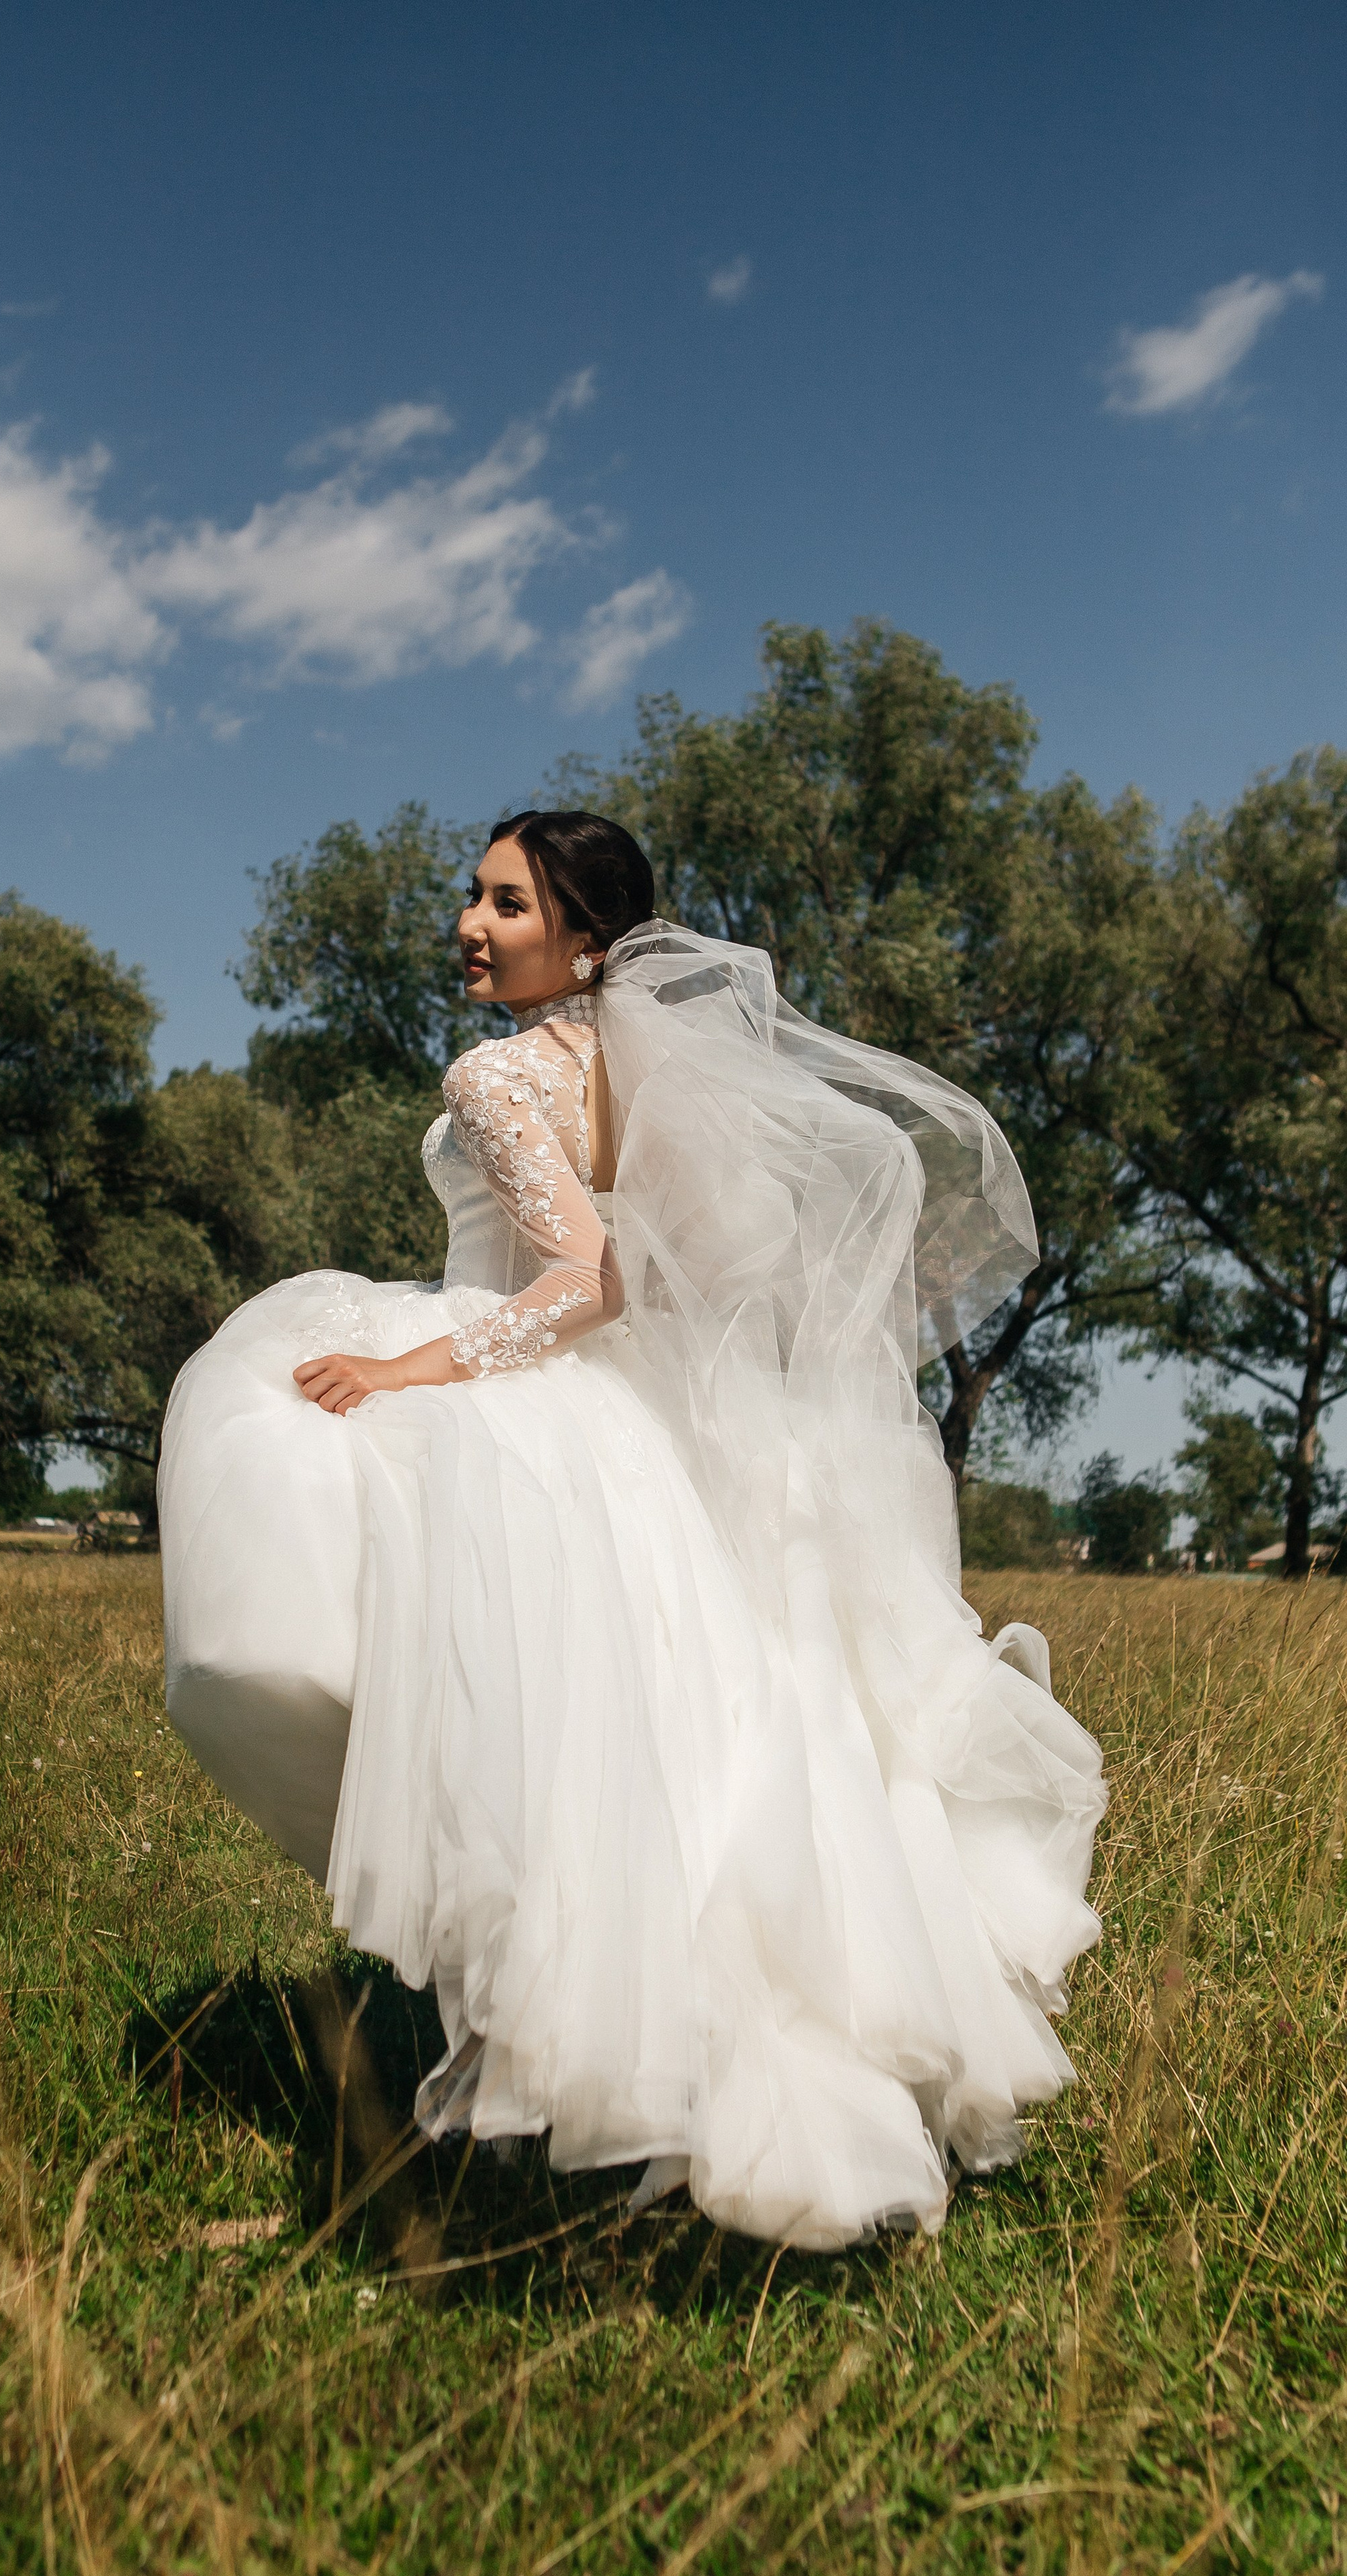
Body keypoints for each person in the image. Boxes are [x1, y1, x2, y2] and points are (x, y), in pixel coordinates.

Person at [159, 813, 1104, 2250]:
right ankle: (697, 2095)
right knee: (696, 1764)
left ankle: (589, 2080)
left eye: (505, 903)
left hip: (539, 1406)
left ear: (583, 940)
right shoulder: (657, 1078)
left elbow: (585, 1279)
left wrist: (418, 1368)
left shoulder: (491, 1075)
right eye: (472, 897)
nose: (470, 923)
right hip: (651, 1437)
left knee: (490, 1727)